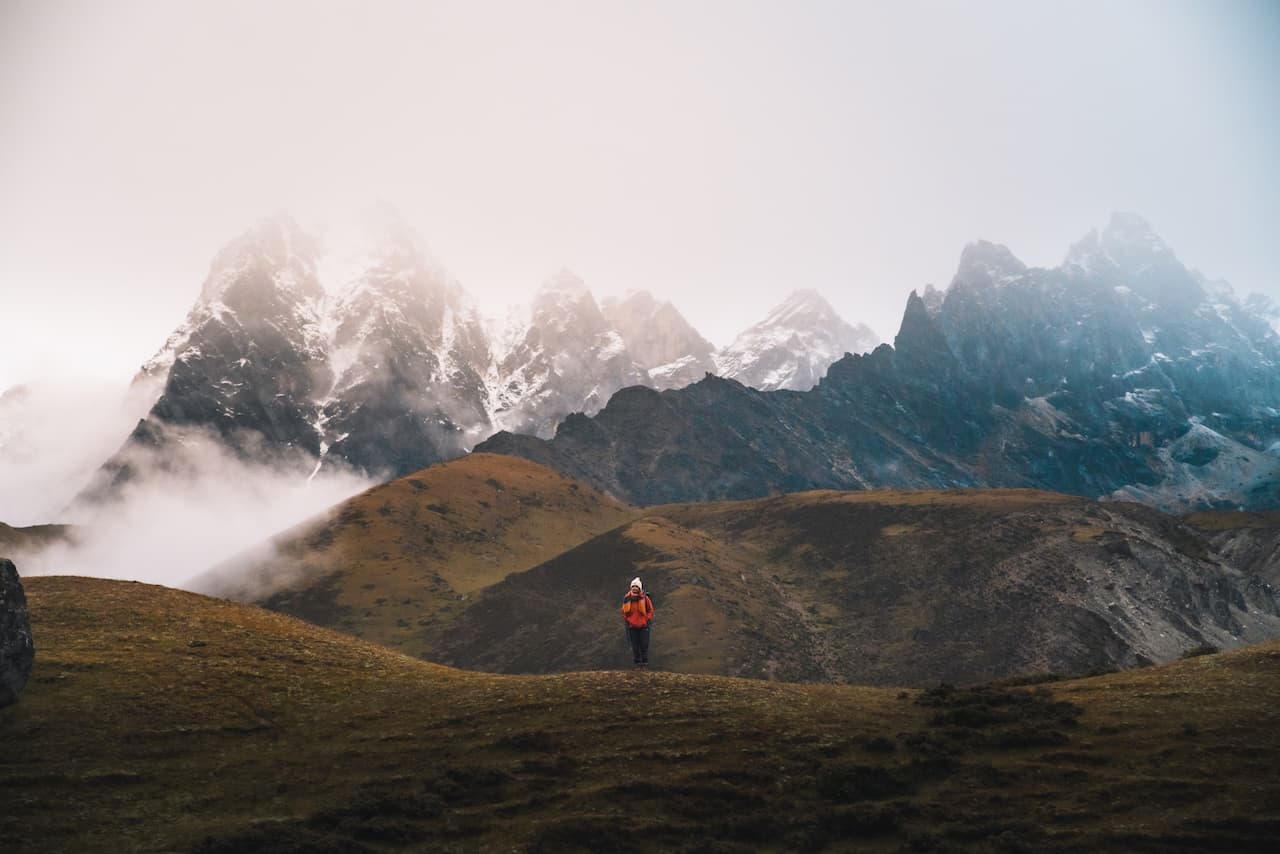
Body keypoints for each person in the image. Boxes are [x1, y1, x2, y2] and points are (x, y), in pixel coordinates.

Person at [621, 576, 654, 667]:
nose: (634, 589)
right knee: (635, 646)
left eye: (636, 587)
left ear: (640, 588)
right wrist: (628, 620)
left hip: (644, 626)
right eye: (633, 587)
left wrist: (646, 619)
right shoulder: (626, 599)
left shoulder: (645, 598)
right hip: (632, 627)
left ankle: (645, 663)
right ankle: (637, 664)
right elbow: (623, 611)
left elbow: (650, 610)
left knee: (644, 645)